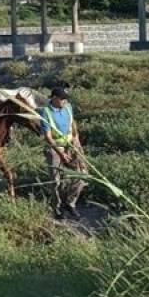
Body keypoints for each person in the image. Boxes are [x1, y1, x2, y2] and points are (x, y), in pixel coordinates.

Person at [40, 86, 87, 219]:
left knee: (82, 175)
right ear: (54, 98)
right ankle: (57, 208)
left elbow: (73, 125)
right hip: (55, 148)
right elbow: (48, 137)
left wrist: (76, 141)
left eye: (66, 99)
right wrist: (61, 153)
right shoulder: (46, 112)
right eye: (62, 99)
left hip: (71, 145)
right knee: (56, 180)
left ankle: (70, 203)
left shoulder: (68, 107)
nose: (65, 101)